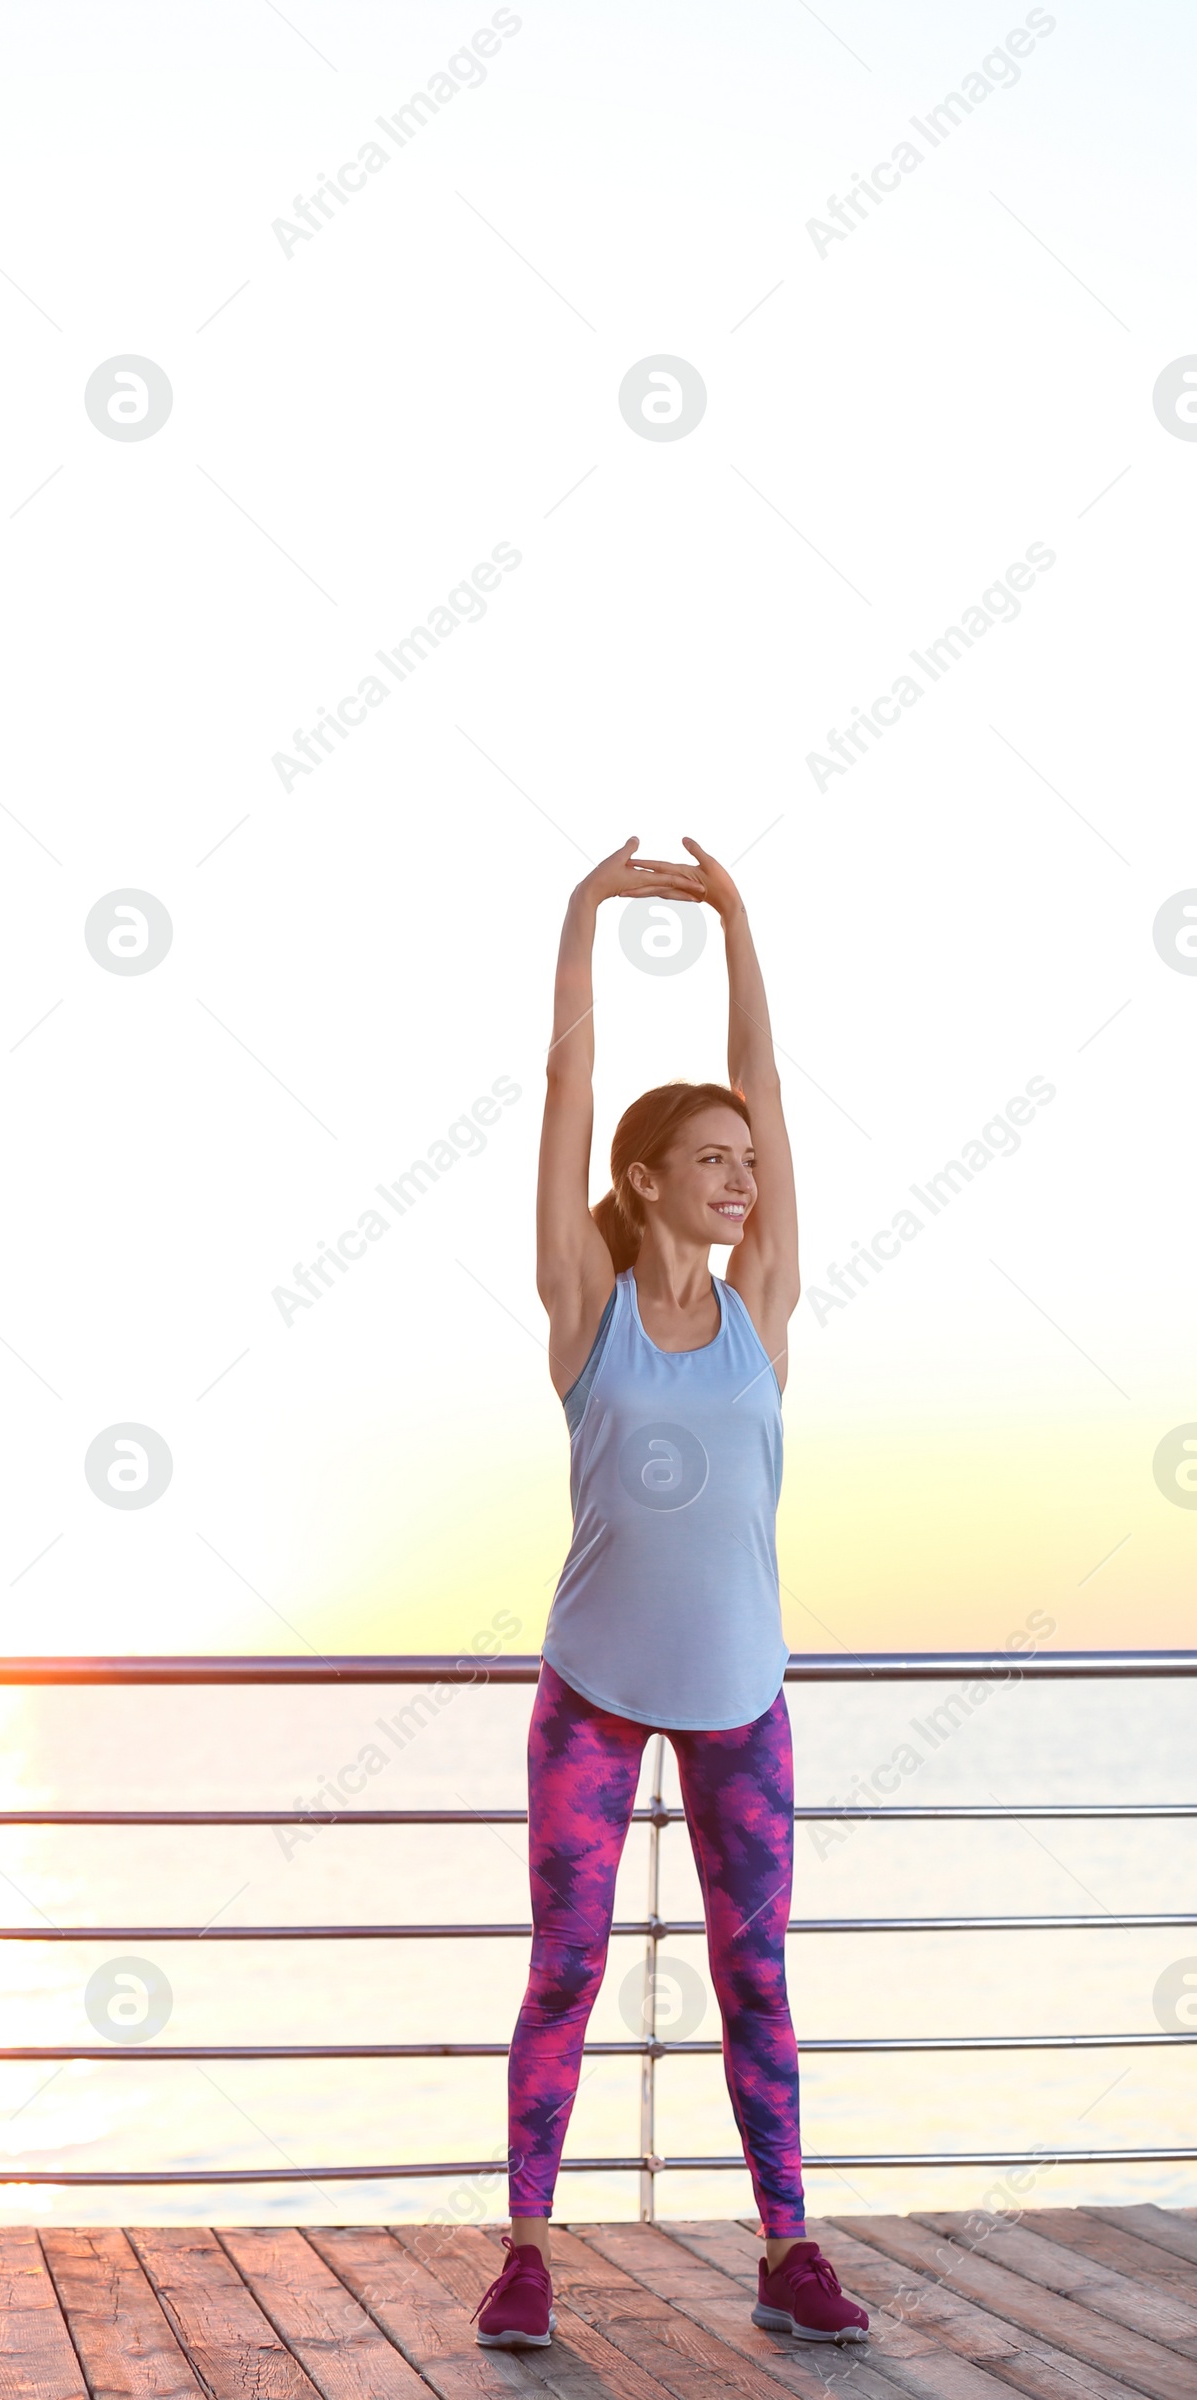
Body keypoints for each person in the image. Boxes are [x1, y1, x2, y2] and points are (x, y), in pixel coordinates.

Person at [471, 836, 869, 2349]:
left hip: (740, 1694)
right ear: (643, 1181)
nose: (743, 1175)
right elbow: (568, 1097)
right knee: (564, 1971)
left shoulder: (762, 1305)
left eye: (750, 1163)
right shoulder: (589, 1305)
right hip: (591, 1689)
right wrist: (581, 917)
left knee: (753, 1978)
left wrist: (741, 928)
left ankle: (786, 2251)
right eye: (714, 1159)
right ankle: (523, 2255)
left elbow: (766, 1081)